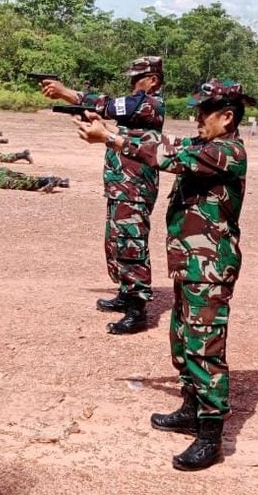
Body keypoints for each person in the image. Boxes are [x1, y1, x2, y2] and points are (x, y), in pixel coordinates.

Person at [74, 79, 252, 472]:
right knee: (183, 339)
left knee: (205, 347)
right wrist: (112, 131)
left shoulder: (228, 151)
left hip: (210, 267)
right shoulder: (205, 145)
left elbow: (166, 156)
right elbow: (170, 145)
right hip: (192, 263)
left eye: (204, 113)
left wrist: (112, 140)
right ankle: (191, 408)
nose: (197, 118)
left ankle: (211, 436)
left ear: (227, 116)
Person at [42, 57, 165, 334]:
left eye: (138, 78)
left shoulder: (150, 103)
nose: (133, 83)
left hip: (134, 187)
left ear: (153, 80)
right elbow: (118, 125)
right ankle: (126, 292)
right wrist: (100, 125)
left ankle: (138, 309)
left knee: (131, 244)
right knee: (117, 242)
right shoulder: (139, 107)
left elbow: (108, 105)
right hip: (122, 185)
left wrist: (67, 93)